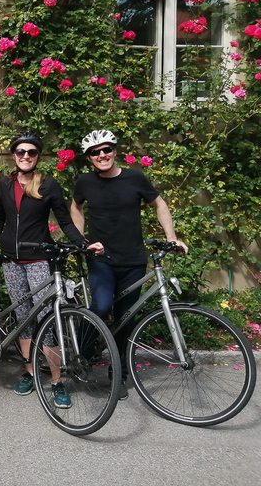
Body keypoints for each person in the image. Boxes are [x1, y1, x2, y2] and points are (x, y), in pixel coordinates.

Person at [0, 131, 103, 408]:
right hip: (12, 260)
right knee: (23, 318)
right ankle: (30, 372)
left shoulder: (48, 185)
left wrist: (83, 243)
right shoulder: (5, 184)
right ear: (14, 155)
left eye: (31, 152)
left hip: (39, 260)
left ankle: (57, 380)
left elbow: (65, 220)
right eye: (21, 152)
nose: (25, 156)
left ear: (37, 156)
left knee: (47, 320)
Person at [70, 129, 188, 400]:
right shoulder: (85, 182)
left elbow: (159, 204)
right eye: (95, 152)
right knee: (100, 306)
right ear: (89, 158)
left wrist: (172, 237)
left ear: (114, 150)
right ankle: (84, 353)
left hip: (133, 260)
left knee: (125, 319)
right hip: (101, 259)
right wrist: (80, 239)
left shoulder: (135, 177)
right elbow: (75, 208)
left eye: (106, 149)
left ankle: (119, 374)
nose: (102, 155)